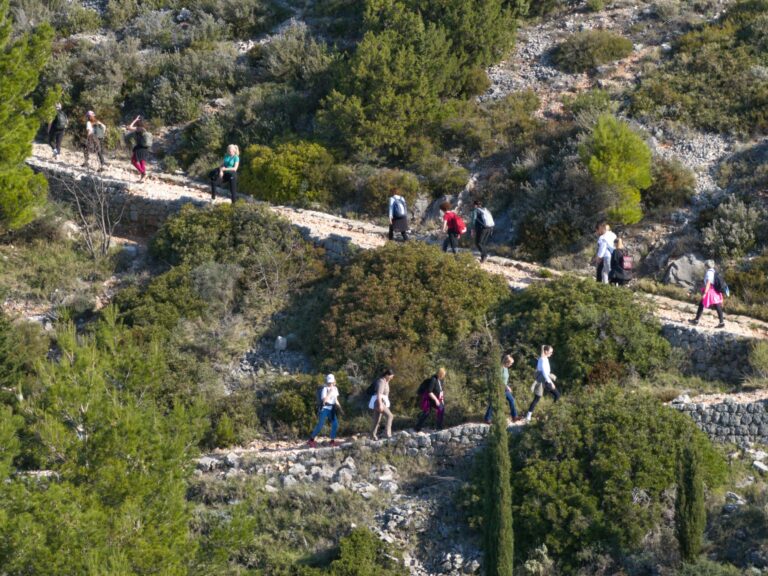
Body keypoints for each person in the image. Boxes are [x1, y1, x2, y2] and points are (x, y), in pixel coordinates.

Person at [525, 345, 560, 422]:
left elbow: (546, 372)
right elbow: (544, 373)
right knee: (557, 395)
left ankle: (528, 416)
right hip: (543, 381)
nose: (552, 353)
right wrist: (551, 383)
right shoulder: (543, 359)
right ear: (546, 351)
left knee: (537, 398)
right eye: (551, 352)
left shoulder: (544, 358)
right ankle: (551, 413)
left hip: (543, 380)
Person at [308, 374, 343, 447]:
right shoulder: (325, 389)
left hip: (332, 409)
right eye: (329, 382)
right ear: (327, 382)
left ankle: (332, 441)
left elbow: (336, 400)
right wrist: (330, 392)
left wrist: (340, 408)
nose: (330, 384)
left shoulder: (335, 389)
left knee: (335, 424)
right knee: (320, 425)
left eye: (332, 382)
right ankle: (311, 440)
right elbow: (324, 400)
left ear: (334, 382)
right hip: (324, 409)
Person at [689, 260, 725, 328]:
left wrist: (705, 293)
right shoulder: (714, 271)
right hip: (715, 291)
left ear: (706, 266)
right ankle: (721, 322)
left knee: (703, 304)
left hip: (710, 291)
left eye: (705, 265)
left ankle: (696, 320)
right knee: (717, 306)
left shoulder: (709, 273)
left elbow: (708, 283)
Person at [484, 354, 518, 424]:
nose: (511, 365)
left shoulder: (506, 369)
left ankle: (515, 417)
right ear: (507, 362)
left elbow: (505, 380)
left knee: (511, 400)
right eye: (511, 363)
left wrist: (507, 386)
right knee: (493, 403)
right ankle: (487, 418)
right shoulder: (500, 368)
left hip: (504, 388)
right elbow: (498, 379)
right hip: (499, 388)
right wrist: (506, 386)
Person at [369, 368, 394, 440]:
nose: (392, 377)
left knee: (376, 420)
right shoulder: (381, 382)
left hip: (380, 402)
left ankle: (372, 436)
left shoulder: (385, 382)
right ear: (387, 375)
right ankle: (387, 434)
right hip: (379, 402)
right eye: (391, 376)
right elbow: (379, 394)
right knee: (390, 416)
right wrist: (380, 404)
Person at [126, 116, 152, 182]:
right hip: (144, 148)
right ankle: (142, 178)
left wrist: (135, 120)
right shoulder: (143, 128)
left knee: (133, 161)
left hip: (140, 148)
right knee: (141, 162)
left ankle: (143, 173)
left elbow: (129, 127)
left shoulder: (139, 128)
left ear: (138, 122)